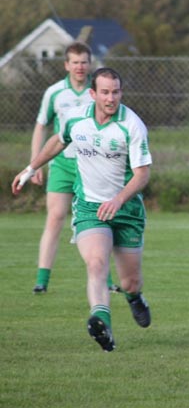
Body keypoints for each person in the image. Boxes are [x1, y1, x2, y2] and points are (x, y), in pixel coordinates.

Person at [13, 67, 152, 352]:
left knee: (130, 281)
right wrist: (31, 168)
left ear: (121, 93)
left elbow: (142, 175)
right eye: (105, 92)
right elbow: (57, 140)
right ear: (93, 94)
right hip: (89, 207)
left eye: (115, 92)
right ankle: (102, 321)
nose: (111, 98)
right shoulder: (78, 119)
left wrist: (118, 200)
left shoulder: (132, 125)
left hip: (126, 212)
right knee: (96, 263)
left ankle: (134, 297)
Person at [29, 41, 119, 294]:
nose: (80, 67)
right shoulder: (55, 92)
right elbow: (41, 126)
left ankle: (106, 279)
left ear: (90, 64)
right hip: (61, 165)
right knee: (55, 217)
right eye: (75, 62)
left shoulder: (99, 90)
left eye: (84, 62)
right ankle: (42, 280)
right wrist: (36, 162)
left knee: (102, 219)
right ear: (66, 65)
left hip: (91, 165)